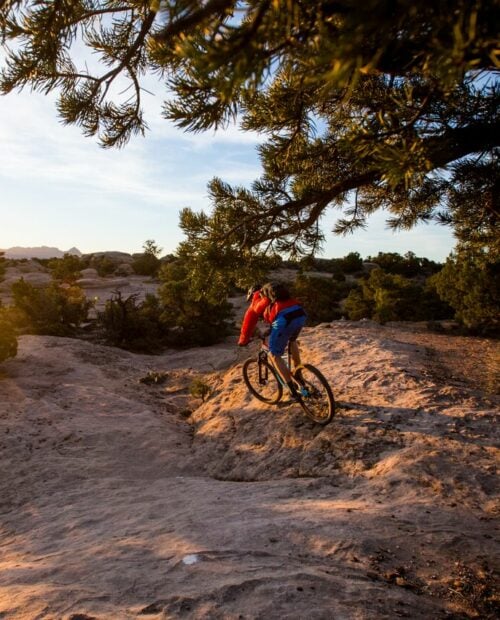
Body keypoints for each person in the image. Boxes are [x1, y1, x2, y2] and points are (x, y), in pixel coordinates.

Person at [238, 281, 307, 398]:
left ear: (253, 295)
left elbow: (247, 324)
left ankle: (292, 390)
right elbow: (275, 314)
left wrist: (243, 341)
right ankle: (298, 371)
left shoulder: (257, 300)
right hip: (300, 314)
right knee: (292, 340)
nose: (251, 302)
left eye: (250, 299)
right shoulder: (274, 296)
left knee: (274, 355)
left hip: (284, 319)